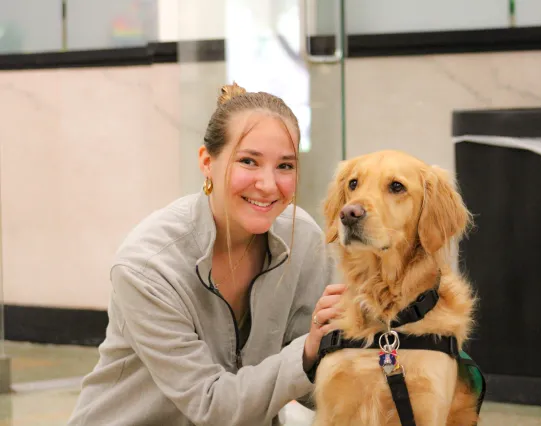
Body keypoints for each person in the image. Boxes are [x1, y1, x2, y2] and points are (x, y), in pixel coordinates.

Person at [67, 82, 345, 426]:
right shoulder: (147, 266)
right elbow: (212, 405)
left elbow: (310, 386)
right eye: (248, 161)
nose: (269, 184)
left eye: (285, 166)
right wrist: (308, 351)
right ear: (207, 162)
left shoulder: (303, 240)